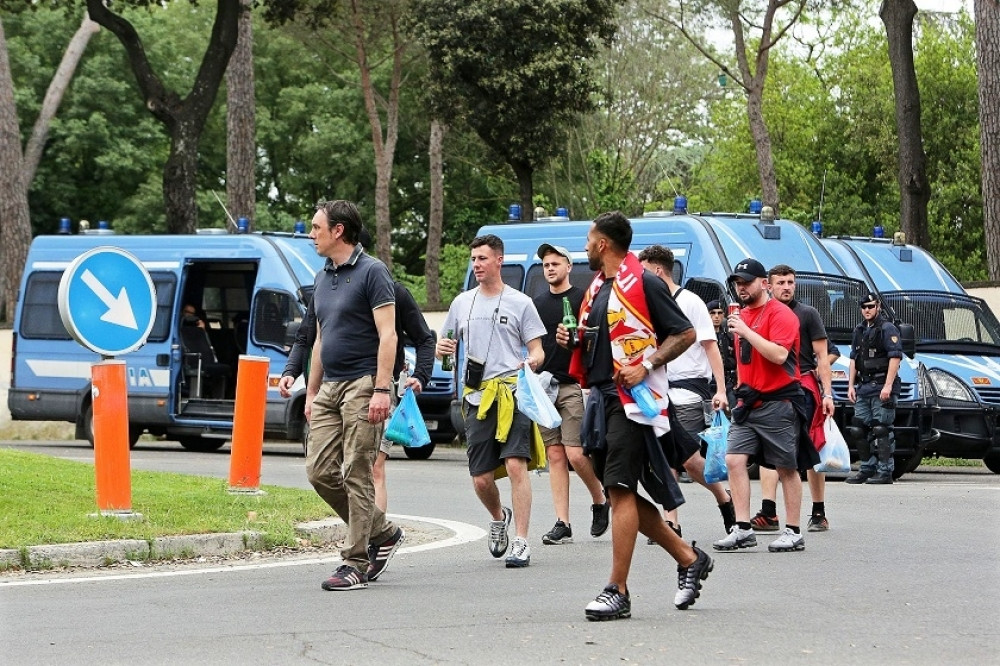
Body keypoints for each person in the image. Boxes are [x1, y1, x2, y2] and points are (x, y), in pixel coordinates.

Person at [557, 211, 713, 620]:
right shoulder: (598, 290)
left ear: (603, 243)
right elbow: (600, 343)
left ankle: (617, 590)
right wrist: (572, 340)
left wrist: (647, 363)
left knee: (620, 488)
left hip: (632, 400)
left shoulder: (642, 283)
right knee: (616, 490)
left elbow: (684, 333)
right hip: (601, 399)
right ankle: (687, 556)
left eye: (589, 239)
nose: (585, 247)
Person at [279, 230, 435, 515]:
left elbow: (425, 338)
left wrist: (421, 375)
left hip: (378, 386)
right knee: (332, 469)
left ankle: (376, 537)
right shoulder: (326, 285)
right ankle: (374, 531)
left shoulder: (392, 291)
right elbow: (307, 335)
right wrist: (292, 371)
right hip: (335, 386)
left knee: (373, 466)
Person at [302, 199, 404, 591]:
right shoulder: (322, 276)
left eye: (316, 227)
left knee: (356, 472)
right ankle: (383, 532)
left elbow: (389, 335)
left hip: (364, 383)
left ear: (338, 230)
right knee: (319, 471)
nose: (312, 235)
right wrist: (311, 392)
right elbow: (320, 339)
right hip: (329, 386)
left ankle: (356, 562)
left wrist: (382, 388)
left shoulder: (373, 272)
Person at [436, 234, 547, 568]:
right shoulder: (462, 303)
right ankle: (499, 517)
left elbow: (538, 349)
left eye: (482, 259)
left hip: (512, 394)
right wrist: (443, 348)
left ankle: (522, 541)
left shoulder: (521, 302)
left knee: (515, 464)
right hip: (476, 396)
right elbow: (447, 342)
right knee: (481, 478)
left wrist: (532, 361)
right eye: (473, 259)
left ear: (499, 260)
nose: (476, 265)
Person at [712, 258, 814, 554]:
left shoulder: (780, 314)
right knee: (733, 460)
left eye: (747, 281)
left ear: (764, 284)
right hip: (749, 402)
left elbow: (780, 355)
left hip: (779, 401)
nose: (741, 287)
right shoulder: (741, 315)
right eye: (738, 283)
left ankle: (793, 531)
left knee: (785, 467)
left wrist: (746, 332)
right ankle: (743, 528)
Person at [636, 245, 735, 539]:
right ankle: (674, 521)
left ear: (657, 270)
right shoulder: (647, 303)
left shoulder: (690, 302)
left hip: (689, 387)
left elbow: (710, 346)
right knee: (672, 459)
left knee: (688, 461)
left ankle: (724, 500)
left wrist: (720, 389)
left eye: (642, 270)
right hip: (660, 389)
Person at [532, 243, 610, 545]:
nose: (550, 269)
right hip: (544, 386)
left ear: (568, 266)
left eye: (555, 264)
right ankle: (562, 522)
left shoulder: (582, 299)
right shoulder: (537, 304)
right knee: (554, 455)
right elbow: (531, 342)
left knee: (576, 454)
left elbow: (594, 339)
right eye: (546, 265)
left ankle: (599, 499)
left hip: (574, 385)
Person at [750, 265, 837, 533]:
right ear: (769, 285)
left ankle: (818, 511)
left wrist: (827, 393)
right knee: (770, 450)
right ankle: (769, 512)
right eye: (781, 283)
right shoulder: (760, 313)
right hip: (768, 390)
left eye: (790, 282)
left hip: (802, 390)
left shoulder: (807, 314)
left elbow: (824, 356)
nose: (786, 287)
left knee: (810, 448)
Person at [845, 293, 903, 485]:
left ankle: (885, 471)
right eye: (864, 307)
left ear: (878, 306)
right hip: (864, 386)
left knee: (881, 428)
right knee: (858, 428)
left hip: (881, 386)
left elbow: (895, 357)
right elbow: (854, 358)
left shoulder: (887, 329)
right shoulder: (860, 330)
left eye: (870, 306)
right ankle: (867, 468)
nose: (867, 310)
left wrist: (887, 386)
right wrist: (850, 385)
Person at [706, 299, 738, 406]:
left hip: (728, 382)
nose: (716, 316)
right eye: (713, 313)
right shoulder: (704, 338)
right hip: (709, 383)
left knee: (734, 411)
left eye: (719, 313)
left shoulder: (729, 336)